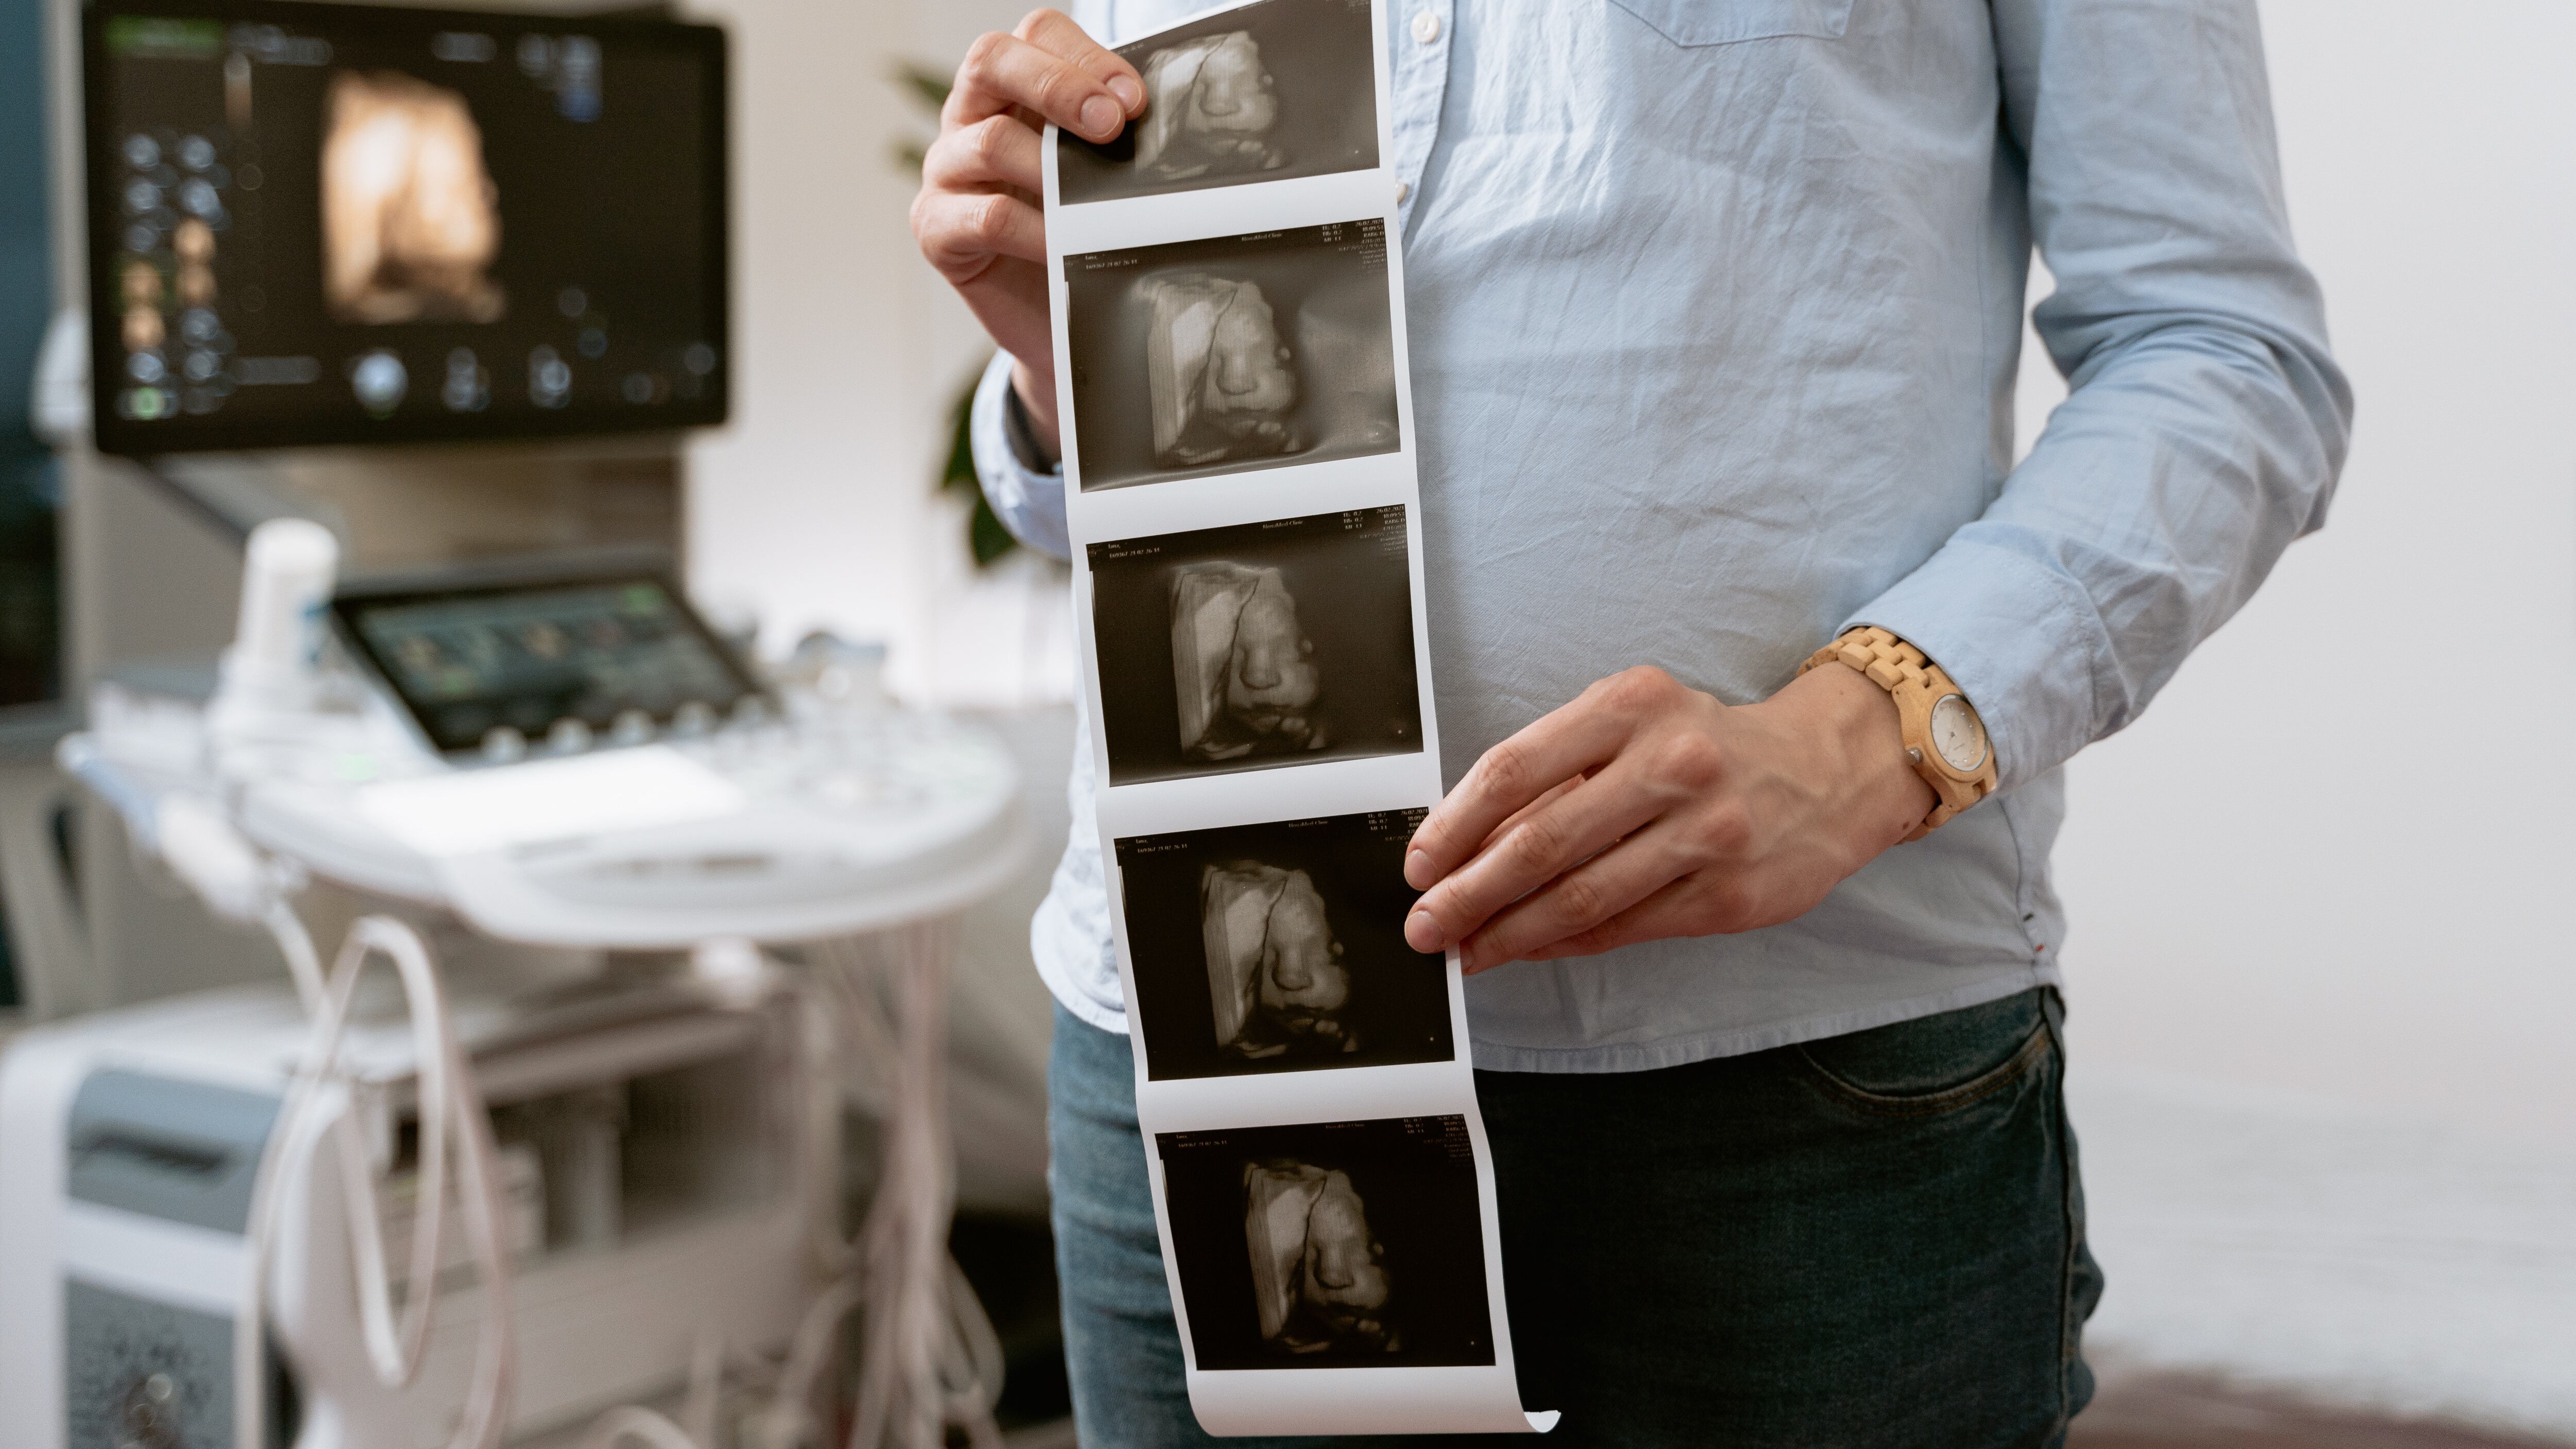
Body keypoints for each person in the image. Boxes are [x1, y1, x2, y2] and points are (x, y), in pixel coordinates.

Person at [911, 4, 2350, 1445]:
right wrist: (1068, 377)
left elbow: (2221, 352)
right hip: (1186, 1071)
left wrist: (1864, 740)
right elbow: (1111, 466)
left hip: (1793, 1086)